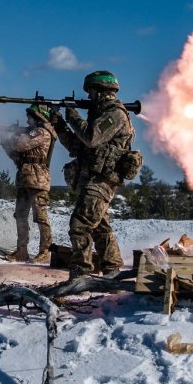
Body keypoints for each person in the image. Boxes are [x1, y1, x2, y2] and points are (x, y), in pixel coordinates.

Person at [50, 70, 135, 275]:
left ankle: (81, 273)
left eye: (91, 92)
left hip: (103, 181)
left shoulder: (115, 115)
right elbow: (76, 146)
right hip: (94, 180)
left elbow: (91, 138)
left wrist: (72, 114)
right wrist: (59, 123)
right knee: (100, 228)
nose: (89, 96)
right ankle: (113, 272)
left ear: (103, 91)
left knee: (80, 224)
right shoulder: (98, 117)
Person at [0, 104, 57, 263]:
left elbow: (20, 144)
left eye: (30, 117)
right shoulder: (31, 135)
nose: (27, 120)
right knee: (20, 216)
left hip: (38, 181)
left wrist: (14, 135)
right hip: (25, 179)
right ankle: (21, 250)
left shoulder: (42, 132)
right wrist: (4, 141)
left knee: (41, 217)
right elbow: (16, 156)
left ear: (38, 118)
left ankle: (45, 252)